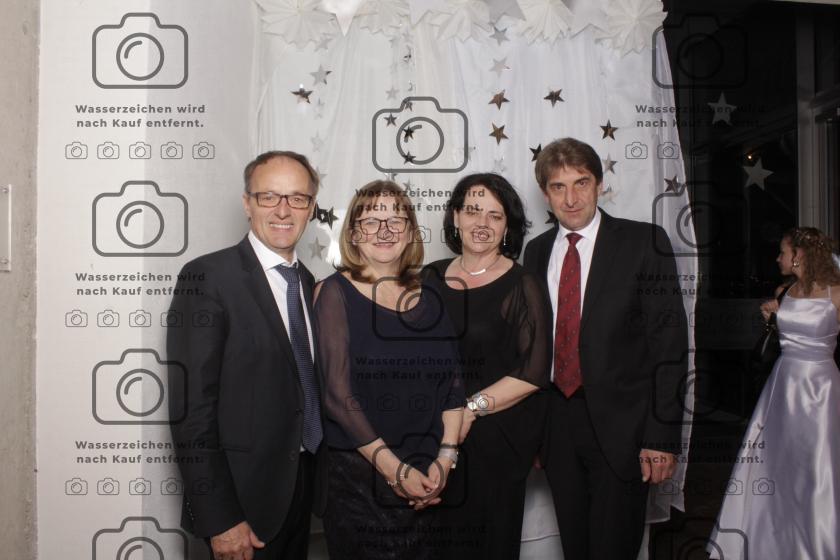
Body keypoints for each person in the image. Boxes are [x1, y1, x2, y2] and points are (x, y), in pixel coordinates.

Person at [522, 137, 688, 559]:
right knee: (575, 547)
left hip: (625, 429)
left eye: (581, 183)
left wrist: (661, 438)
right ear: (545, 193)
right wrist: (534, 433)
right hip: (556, 426)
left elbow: (669, 345)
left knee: (614, 548)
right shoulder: (536, 252)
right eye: (558, 187)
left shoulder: (643, 242)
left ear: (599, 184)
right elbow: (531, 346)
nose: (571, 198)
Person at [167, 151, 326, 560]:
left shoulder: (307, 283)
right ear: (247, 203)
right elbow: (191, 410)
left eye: (297, 198)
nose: (283, 210)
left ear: (311, 207)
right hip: (241, 505)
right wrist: (219, 519)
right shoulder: (207, 277)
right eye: (269, 196)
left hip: (300, 493)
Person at [314, 180, 464, 559]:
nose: (384, 231)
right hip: (361, 483)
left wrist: (446, 460)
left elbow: (453, 388)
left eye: (396, 221)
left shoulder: (432, 295)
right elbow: (336, 396)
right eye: (371, 221)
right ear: (353, 234)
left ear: (411, 232)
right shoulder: (333, 294)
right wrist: (395, 471)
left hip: (430, 479)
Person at [422, 173, 552, 559]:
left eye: (495, 216)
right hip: (428, 435)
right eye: (473, 211)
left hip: (493, 441)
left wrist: (469, 410)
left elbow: (533, 371)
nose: (482, 223)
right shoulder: (429, 276)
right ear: (455, 217)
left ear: (508, 226)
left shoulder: (522, 283)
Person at [709, 227, 840, 559]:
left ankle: (820, 542)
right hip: (783, 386)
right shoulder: (785, 291)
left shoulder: (837, 293)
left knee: (818, 465)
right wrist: (773, 317)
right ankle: (771, 539)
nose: (778, 258)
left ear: (799, 255)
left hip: (822, 388)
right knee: (776, 463)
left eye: (783, 252)